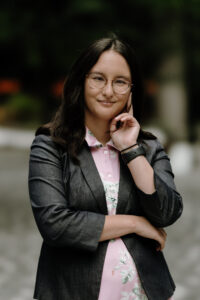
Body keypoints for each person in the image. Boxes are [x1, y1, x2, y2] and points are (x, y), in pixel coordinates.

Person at [28, 36, 183, 300]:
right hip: (71, 291)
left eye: (120, 81)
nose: (108, 91)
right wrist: (134, 223)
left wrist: (131, 151)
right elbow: (54, 224)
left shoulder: (148, 148)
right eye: (98, 78)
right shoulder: (51, 145)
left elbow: (167, 212)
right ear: (81, 81)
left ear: (132, 90)